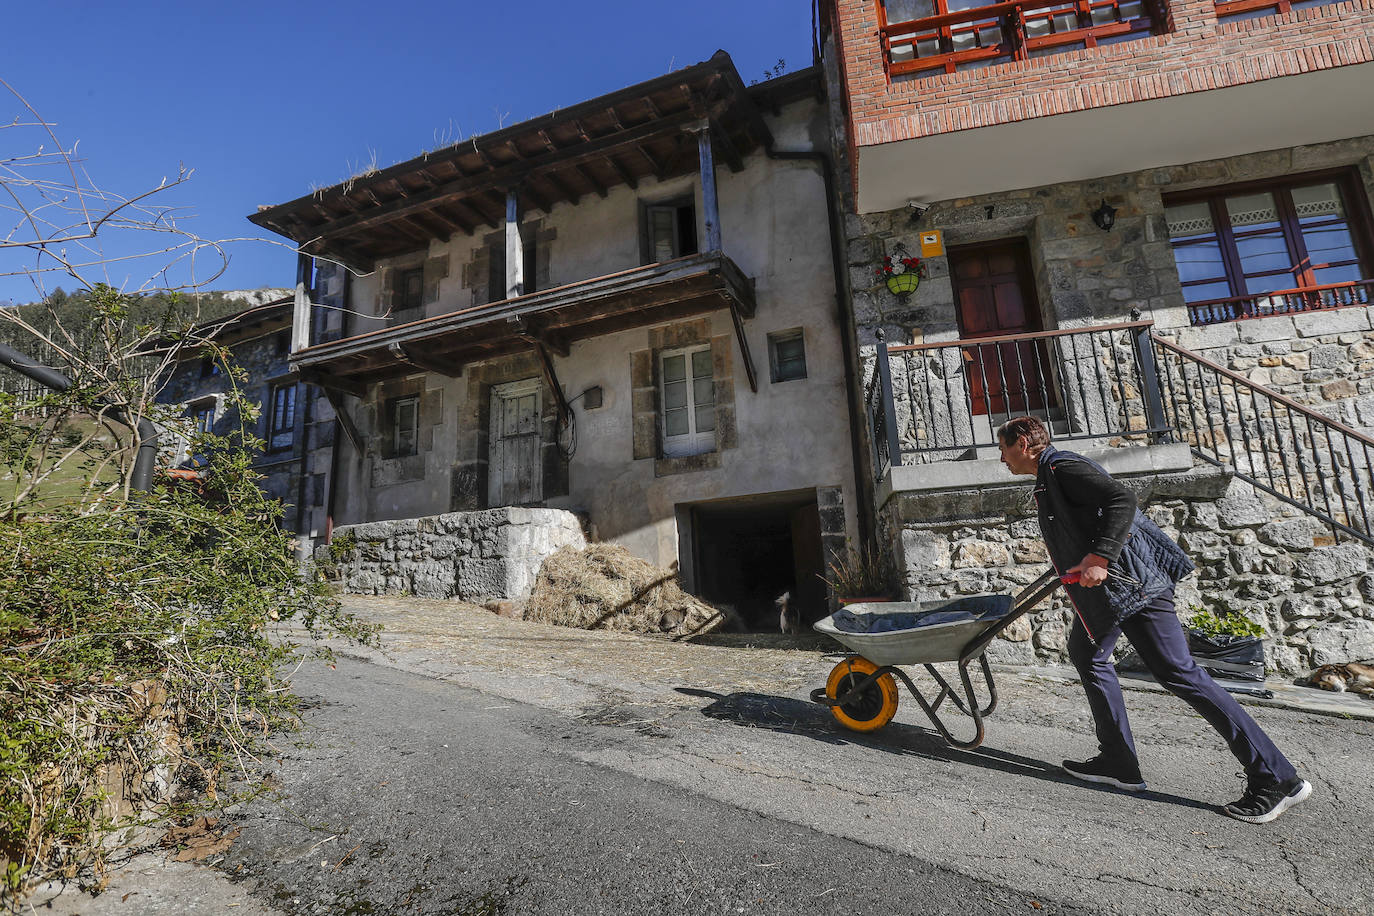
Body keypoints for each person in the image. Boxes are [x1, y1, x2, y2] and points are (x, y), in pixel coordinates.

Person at [996, 415, 1311, 824]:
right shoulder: (1050, 476)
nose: (1001, 458)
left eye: (1002, 448)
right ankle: (1118, 762)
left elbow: (1121, 500)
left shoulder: (1062, 466)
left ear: (1022, 443)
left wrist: (1100, 556)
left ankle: (1276, 778)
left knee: (1180, 673)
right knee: (1086, 653)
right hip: (1109, 595)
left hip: (1135, 588)